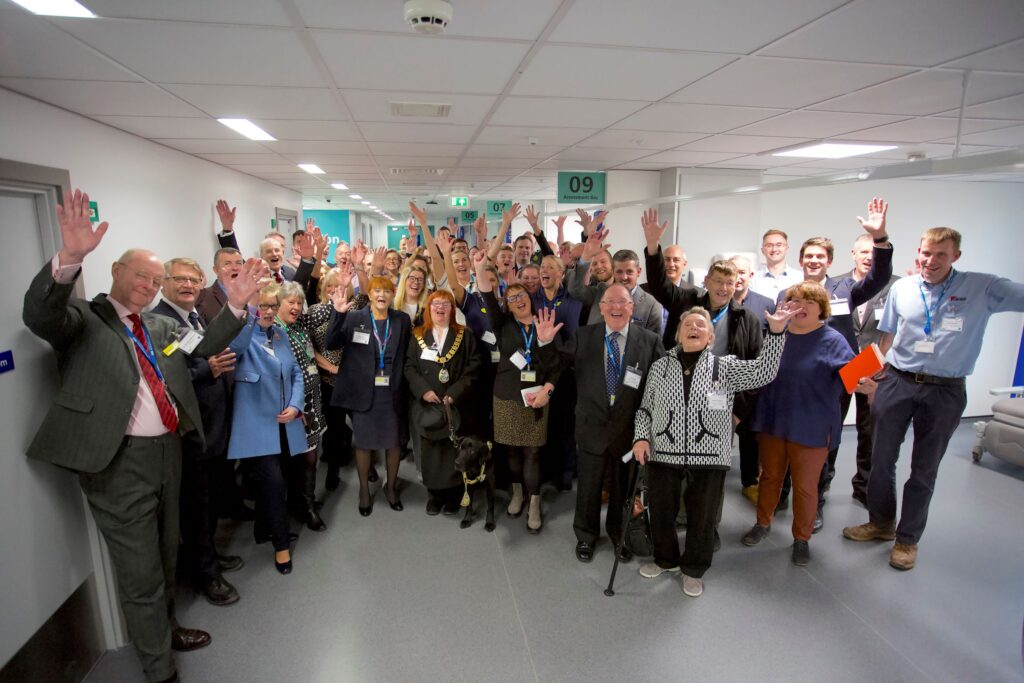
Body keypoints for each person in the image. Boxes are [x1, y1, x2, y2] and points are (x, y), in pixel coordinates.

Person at [23, 189, 262, 683]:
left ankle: (164, 628)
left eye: (156, 280)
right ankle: (159, 669)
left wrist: (236, 307)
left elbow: (205, 346)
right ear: (115, 271)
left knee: (163, 550)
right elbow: (40, 316)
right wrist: (68, 259)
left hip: (167, 454)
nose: (148, 285)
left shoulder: (157, 326)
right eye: (142, 275)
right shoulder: (83, 320)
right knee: (139, 570)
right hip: (118, 463)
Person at [842, 226, 1024, 570]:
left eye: (941, 254)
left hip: (946, 389)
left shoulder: (982, 287)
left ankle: (907, 540)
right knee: (879, 460)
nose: (931, 260)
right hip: (897, 382)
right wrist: (862, 378)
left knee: (924, 469)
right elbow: (887, 338)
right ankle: (881, 524)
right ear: (918, 254)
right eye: (927, 253)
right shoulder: (904, 288)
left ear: (956, 256)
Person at [633, 305, 790, 597]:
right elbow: (644, 411)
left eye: (701, 326)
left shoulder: (726, 366)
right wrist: (641, 439)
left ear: (710, 337)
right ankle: (665, 559)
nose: (694, 328)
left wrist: (777, 332)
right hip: (663, 454)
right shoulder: (659, 367)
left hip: (710, 458)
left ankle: (693, 569)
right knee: (663, 514)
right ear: (678, 333)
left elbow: (764, 373)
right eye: (688, 324)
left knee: (702, 517)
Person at [780, 200, 892, 531]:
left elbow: (880, 276)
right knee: (791, 435)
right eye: (809, 256)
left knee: (825, 439)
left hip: (837, 378)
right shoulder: (787, 293)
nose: (814, 261)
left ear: (829, 261)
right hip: (798, 379)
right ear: (800, 261)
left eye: (820, 256)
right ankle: (783, 491)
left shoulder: (845, 290)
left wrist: (881, 240)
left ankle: (816, 500)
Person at [742, 281, 857, 567]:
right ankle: (762, 523)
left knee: (806, 487)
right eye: (794, 300)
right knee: (769, 477)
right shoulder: (776, 334)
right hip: (774, 420)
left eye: (809, 301)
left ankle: (802, 538)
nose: (801, 306)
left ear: (822, 309)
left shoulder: (833, 340)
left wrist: (866, 383)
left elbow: (856, 377)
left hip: (812, 425)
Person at [151, 257, 243, 607]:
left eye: (193, 279)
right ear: (165, 283)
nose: (187, 285)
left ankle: (210, 556)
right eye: (179, 280)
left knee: (209, 501)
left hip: (214, 427)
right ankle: (206, 575)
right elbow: (165, 380)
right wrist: (208, 371)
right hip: (192, 432)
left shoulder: (195, 317)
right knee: (196, 506)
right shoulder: (160, 321)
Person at [551, 284, 665, 563]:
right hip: (591, 426)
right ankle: (586, 536)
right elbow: (556, 366)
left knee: (622, 489)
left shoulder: (649, 341)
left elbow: (661, 385)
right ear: (600, 308)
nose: (616, 307)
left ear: (632, 307)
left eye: (623, 302)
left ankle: (619, 534)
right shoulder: (583, 336)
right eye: (610, 302)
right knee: (588, 488)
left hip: (629, 430)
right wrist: (545, 345)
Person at [474, 250, 560, 533]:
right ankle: (517, 493)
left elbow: (557, 364)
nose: (518, 300)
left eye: (521, 295)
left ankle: (534, 502)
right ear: (507, 306)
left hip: (537, 395)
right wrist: (479, 267)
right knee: (511, 449)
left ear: (529, 298)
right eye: (511, 298)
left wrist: (548, 387)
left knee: (533, 452)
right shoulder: (502, 325)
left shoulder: (544, 320)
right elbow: (487, 295)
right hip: (507, 395)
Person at [225, 285, 307, 575]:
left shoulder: (280, 334)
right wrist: (248, 316)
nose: (269, 311)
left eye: (273, 305)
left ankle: (264, 528)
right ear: (250, 309)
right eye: (262, 306)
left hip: (285, 424)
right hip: (256, 426)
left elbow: (297, 373)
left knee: (280, 480)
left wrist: (297, 405)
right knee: (272, 485)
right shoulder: (242, 336)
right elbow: (231, 351)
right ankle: (281, 546)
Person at [325, 272, 412, 516]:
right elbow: (331, 343)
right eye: (377, 290)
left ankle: (391, 487)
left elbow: (407, 354)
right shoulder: (354, 318)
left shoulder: (402, 320)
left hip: (393, 392)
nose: (382, 295)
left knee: (393, 443)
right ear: (369, 294)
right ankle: (364, 489)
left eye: (386, 290)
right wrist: (338, 313)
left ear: (393, 294)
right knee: (363, 443)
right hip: (364, 393)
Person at [404, 290, 482, 515]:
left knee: (453, 451)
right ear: (429, 309)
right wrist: (424, 391)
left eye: (445, 304)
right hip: (428, 404)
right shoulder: (418, 334)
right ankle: (434, 496)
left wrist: (455, 392)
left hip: (455, 405)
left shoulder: (464, 335)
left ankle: (454, 495)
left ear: (452, 309)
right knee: (431, 451)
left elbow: (474, 368)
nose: (440, 308)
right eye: (435, 304)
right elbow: (409, 367)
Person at [837, 233, 900, 507]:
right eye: (863, 252)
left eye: (873, 253)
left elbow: (895, 329)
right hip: (839, 368)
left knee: (868, 432)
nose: (868, 257)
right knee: (831, 428)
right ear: (852, 253)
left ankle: (863, 488)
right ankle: (823, 482)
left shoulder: (897, 286)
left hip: (875, 369)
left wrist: (877, 362)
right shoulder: (837, 285)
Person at [275, 279, 332, 532]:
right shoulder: (273, 331)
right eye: (290, 302)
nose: (296, 307)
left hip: (313, 399)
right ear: (278, 303)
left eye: (299, 302)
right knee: (298, 458)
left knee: (311, 456)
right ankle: (302, 506)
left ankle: (305, 500)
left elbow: (323, 312)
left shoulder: (299, 326)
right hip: (291, 405)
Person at [571, 216, 664, 336]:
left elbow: (654, 345)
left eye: (629, 272)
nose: (624, 277)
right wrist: (585, 257)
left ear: (639, 271)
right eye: (619, 272)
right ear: (613, 271)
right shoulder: (601, 291)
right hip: (596, 353)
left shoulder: (651, 305)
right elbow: (576, 291)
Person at [750, 229, 802, 301]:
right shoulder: (753, 279)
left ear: (786, 249)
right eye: (769, 246)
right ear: (762, 250)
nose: (774, 249)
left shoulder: (800, 278)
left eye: (779, 245)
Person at [729, 255, 776, 331]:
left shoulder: (766, 305)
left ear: (751, 275)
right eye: (732, 272)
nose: (737, 277)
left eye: (742, 272)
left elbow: (775, 337)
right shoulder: (717, 303)